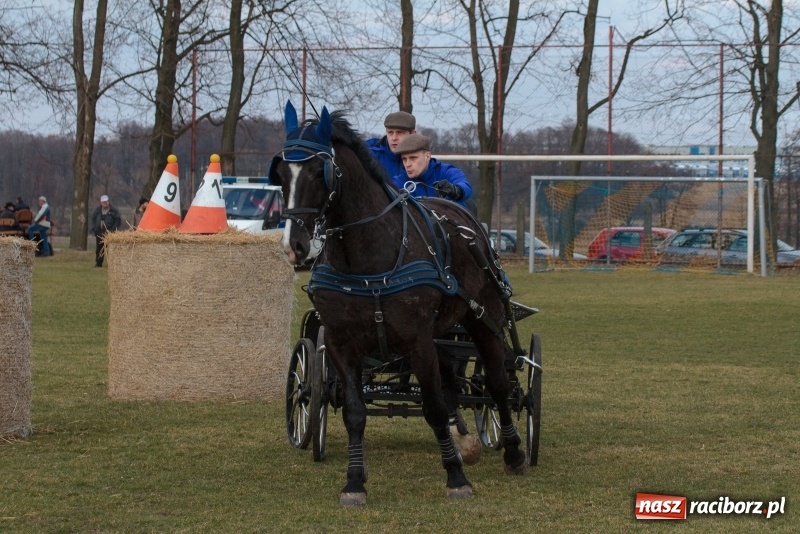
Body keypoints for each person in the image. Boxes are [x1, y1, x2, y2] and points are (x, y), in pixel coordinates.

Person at [392, 134, 473, 208]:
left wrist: (455, 190)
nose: (407, 164)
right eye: (404, 159)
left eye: (413, 158)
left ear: (427, 156)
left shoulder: (446, 171)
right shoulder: (400, 182)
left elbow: (466, 186)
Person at [366, 111, 417, 180]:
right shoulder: (370, 155)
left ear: (413, 134)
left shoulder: (422, 159)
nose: (394, 138)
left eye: (400, 132)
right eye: (390, 132)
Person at [91, 194, 121, 267]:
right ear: (101, 203)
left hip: (110, 233)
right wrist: (94, 229)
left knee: (110, 249)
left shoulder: (114, 211)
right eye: (103, 202)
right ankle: (98, 263)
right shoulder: (97, 210)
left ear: (108, 202)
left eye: (106, 202)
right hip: (99, 233)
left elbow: (117, 221)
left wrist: (113, 230)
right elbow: (93, 220)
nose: (105, 203)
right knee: (99, 249)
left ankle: (111, 264)